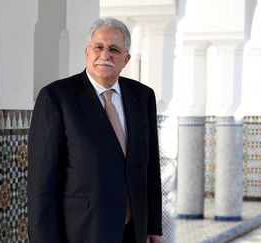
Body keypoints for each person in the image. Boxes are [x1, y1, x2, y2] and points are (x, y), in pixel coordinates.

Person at [27, 17, 162, 243]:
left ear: (126, 59)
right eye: (98, 47)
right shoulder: (57, 98)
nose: (105, 55)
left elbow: (150, 167)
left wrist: (153, 226)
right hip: (82, 231)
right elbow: (42, 184)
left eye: (114, 50)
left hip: (133, 231)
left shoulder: (143, 96)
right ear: (87, 52)